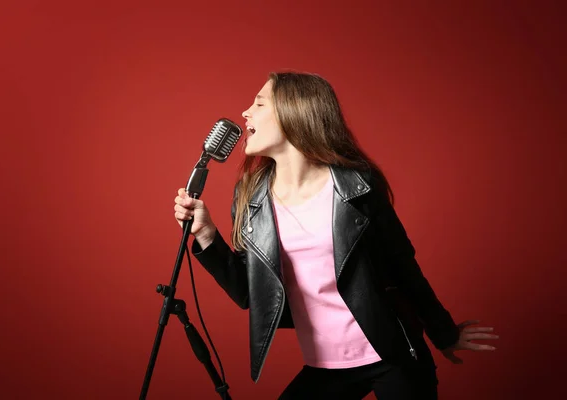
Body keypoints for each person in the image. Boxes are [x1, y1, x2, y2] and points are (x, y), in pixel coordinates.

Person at [173, 71, 498, 399]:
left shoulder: (358, 186)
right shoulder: (251, 196)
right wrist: (206, 234)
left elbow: (403, 266)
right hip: (325, 366)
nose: (245, 113)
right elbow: (249, 292)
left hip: (392, 354)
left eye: (258, 103)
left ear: (295, 112)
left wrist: (443, 333)